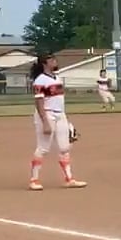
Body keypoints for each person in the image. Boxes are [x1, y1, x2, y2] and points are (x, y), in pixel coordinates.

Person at [28, 54, 85, 191]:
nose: (55, 61)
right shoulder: (40, 80)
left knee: (65, 147)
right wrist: (45, 122)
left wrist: (66, 122)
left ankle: (69, 179)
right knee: (43, 148)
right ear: (44, 63)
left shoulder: (57, 78)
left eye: (55, 59)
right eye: (51, 60)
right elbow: (39, 102)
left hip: (60, 115)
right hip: (47, 114)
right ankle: (34, 180)